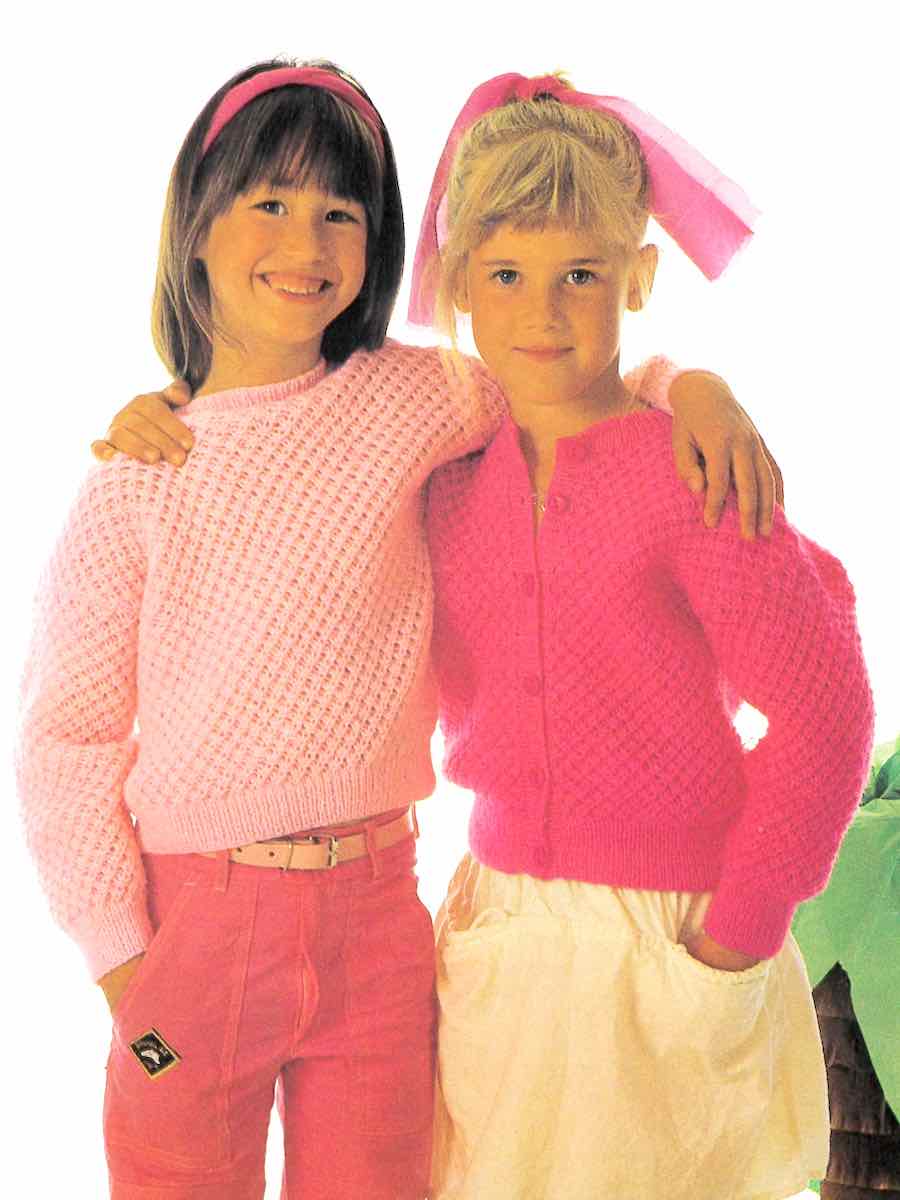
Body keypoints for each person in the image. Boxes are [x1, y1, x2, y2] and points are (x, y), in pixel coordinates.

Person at [20, 59, 779, 1200]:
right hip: (193, 937)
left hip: (378, 921)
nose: (307, 241)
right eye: (271, 202)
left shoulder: (418, 396)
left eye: (343, 213)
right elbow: (65, 738)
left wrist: (695, 385)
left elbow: (569, 375)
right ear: (197, 226)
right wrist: (123, 964)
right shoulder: (138, 473)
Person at [407, 73, 876, 1199]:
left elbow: (826, 709)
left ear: (640, 277)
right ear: (459, 281)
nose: (543, 312)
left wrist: (739, 932)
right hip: (500, 926)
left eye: (581, 274)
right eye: (507, 275)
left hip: (675, 935)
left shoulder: (689, 472)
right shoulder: (444, 475)